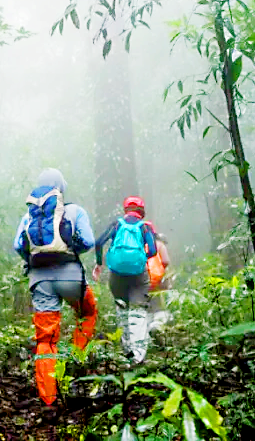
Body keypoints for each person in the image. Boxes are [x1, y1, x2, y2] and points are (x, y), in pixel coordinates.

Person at [13, 168, 97, 405]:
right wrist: (70, 250)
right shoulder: (74, 211)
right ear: (61, 187)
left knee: (46, 340)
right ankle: (72, 362)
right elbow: (89, 241)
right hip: (71, 278)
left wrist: (33, 260)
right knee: (87, 313)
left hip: (40, 281)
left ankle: (48, 399)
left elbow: (19, 245)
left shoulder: (28, 217)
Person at [92, 195, 158, 364]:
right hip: (138, 275)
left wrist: (99, 264)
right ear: (141, 211)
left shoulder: (116, 224)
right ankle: (138, 356)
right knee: (138, 310)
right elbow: (152, 250)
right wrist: (140, 257)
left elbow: (99, 243)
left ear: (126, 210)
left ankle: (125, 351)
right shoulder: (144, 228)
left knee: (122, 307)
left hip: (117, 274)